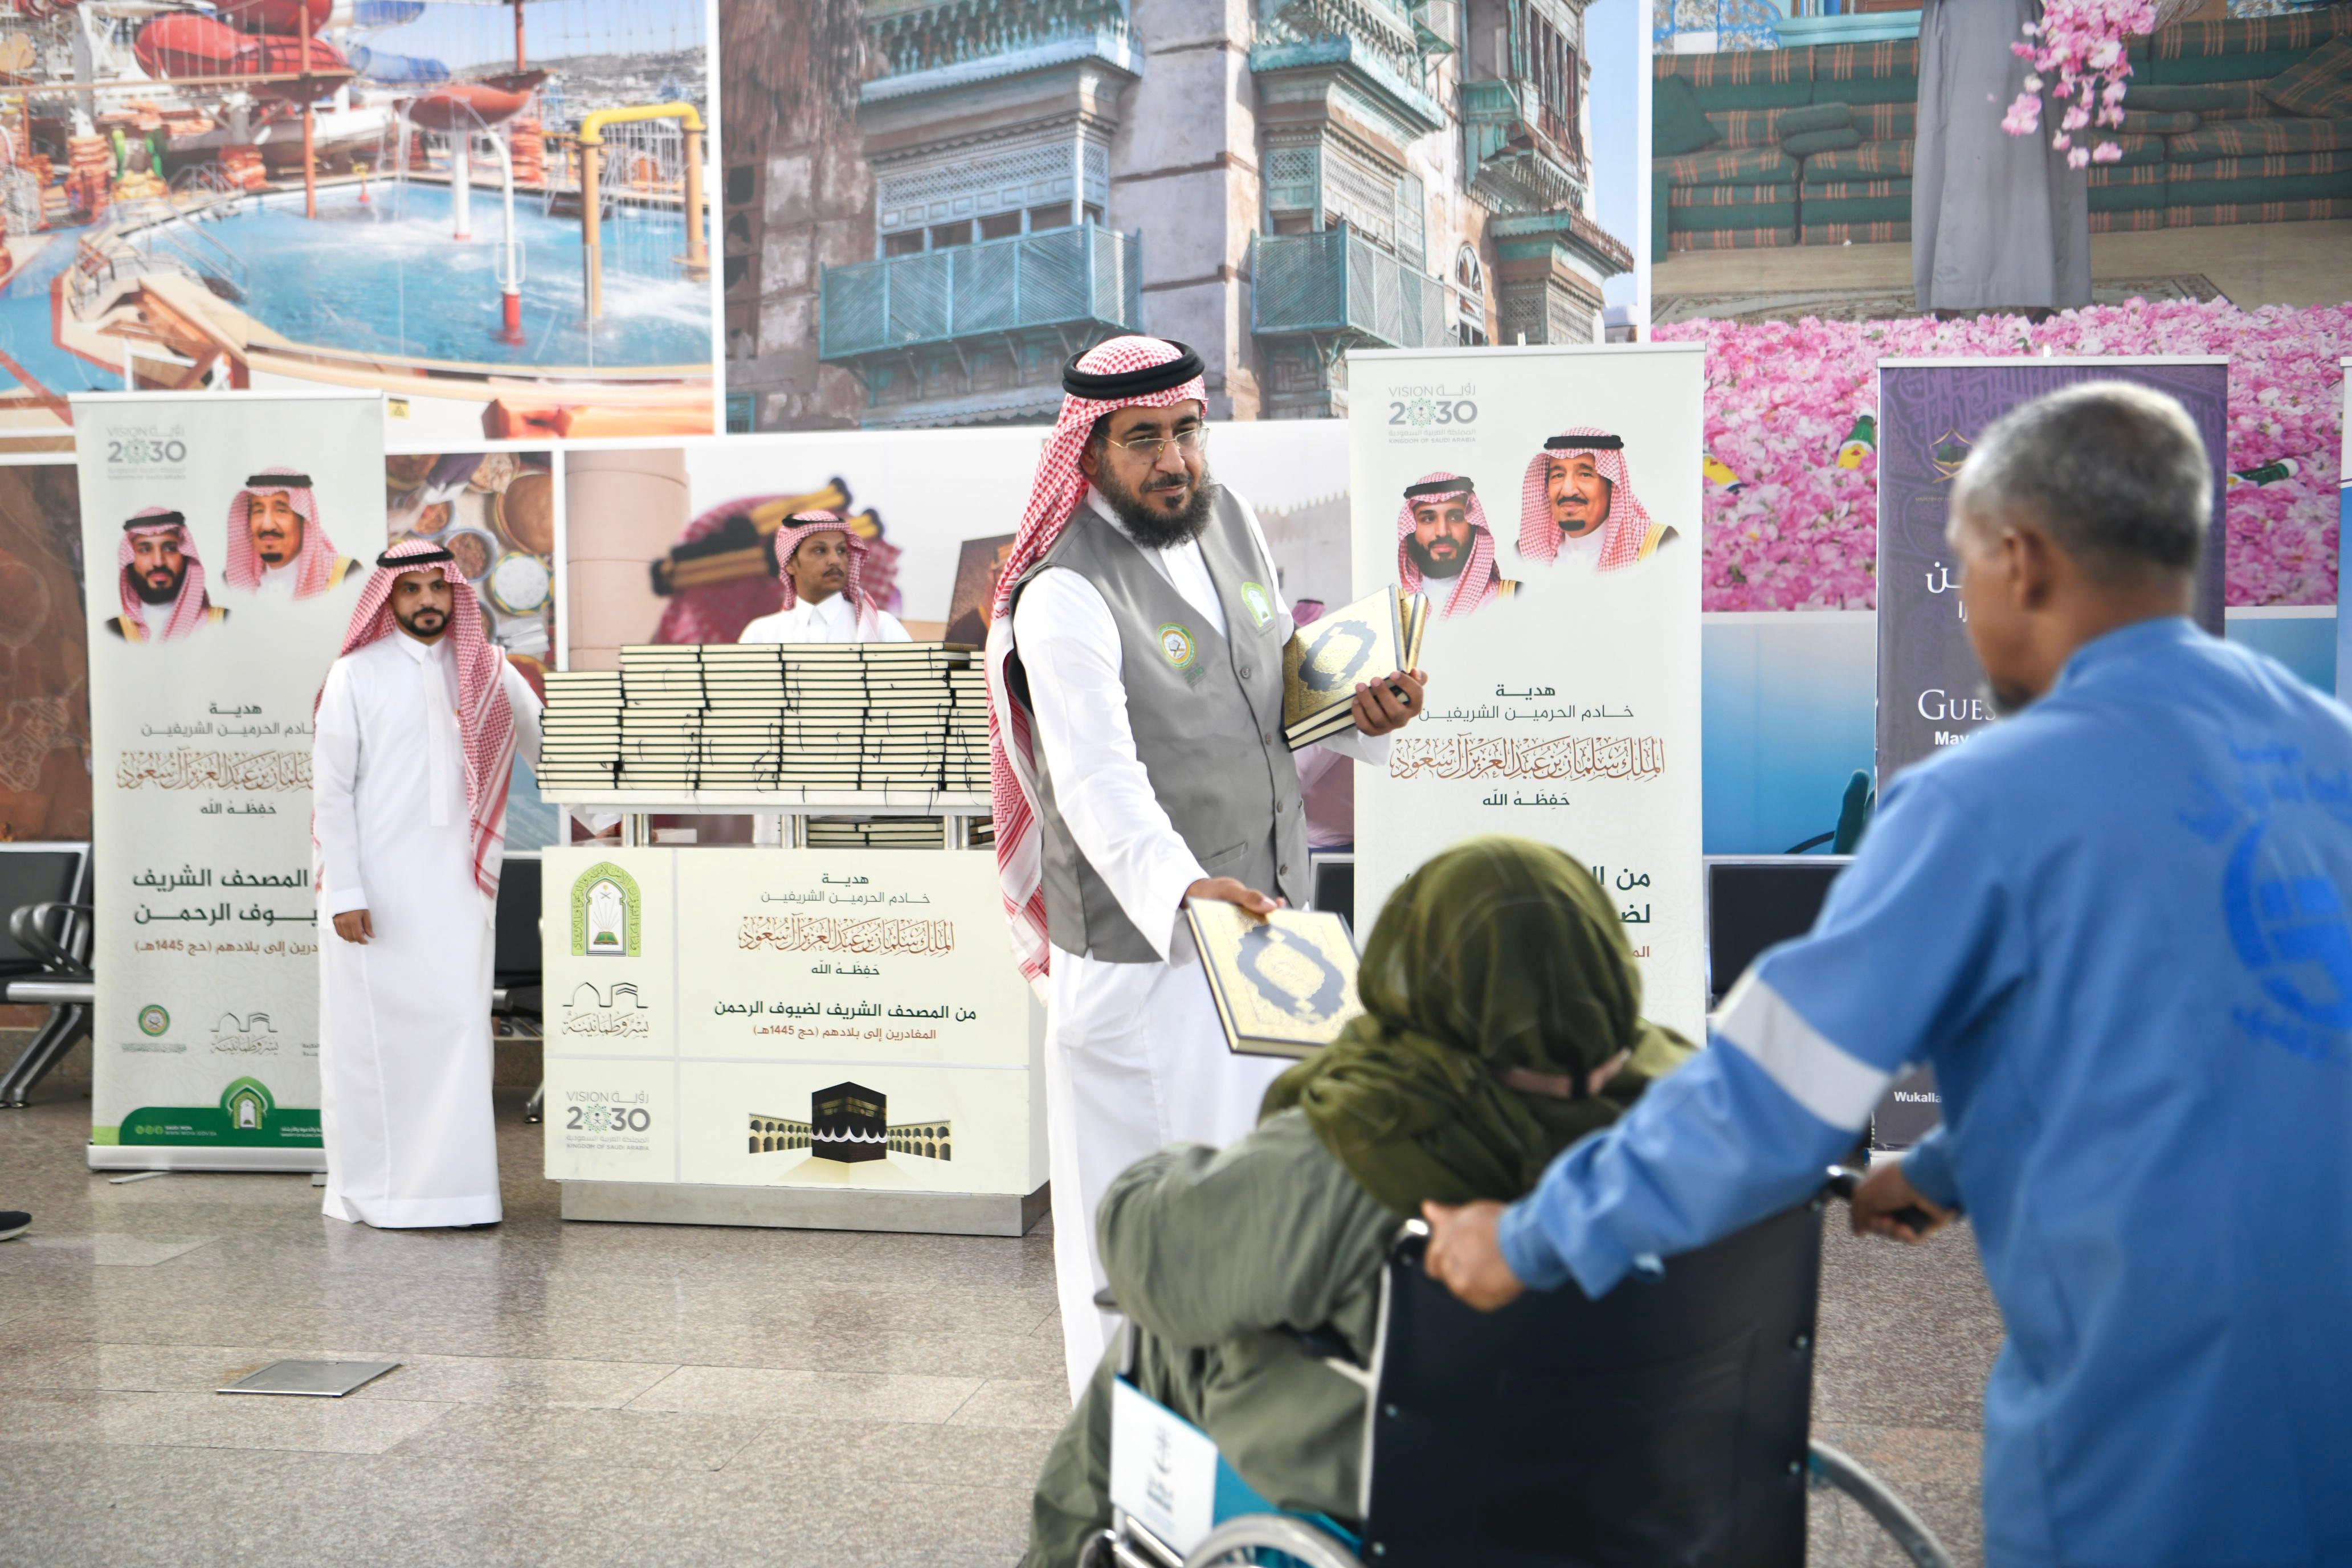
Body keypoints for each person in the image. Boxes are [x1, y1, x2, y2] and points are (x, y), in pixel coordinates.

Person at [1423, 383, 2352, 1566]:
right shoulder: (2328, 752)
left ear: (2022, 559)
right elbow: (2214, 1029)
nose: (1963, 603)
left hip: (2157, 1454)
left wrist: (1528, 1239)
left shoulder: (1986, 798)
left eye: (1962, 565)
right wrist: (1949, 1166)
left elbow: (1769, 1090)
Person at [1020, 838, 1694, 1566]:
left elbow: (1147, 1242)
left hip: (1405, 1498)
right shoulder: (1691, 1123)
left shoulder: (1377, 1139)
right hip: (1629, 1490)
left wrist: (1179, 1163)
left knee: (1162, 1327)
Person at [986, 335, 1427, 1400]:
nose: (1174, 460)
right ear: (1087, 453)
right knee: (1152, 1236)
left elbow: (1269, 692)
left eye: (1187, 430)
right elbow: (1097, 783)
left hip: (1269, 937)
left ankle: (1250, 1432)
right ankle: (1133, 1455)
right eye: (1143, 439)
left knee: (1261, 1204)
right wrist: (1182, 890)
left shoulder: (1228, 523)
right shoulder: (1064, 592)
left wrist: (1359, 714)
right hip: (1152, 964)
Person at [311, 539, 543, 1230]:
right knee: (373, 1045)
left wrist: (612, 818)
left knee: (459, 1032)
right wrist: (344, 891)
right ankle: (375, 1193)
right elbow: (330, 794)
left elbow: (551, 747)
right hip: (375, 893)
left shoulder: (490, 670)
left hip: (457, 890)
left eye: (437, 588)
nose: (427, 602)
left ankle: (461, 1195)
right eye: (410, 590)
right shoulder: (355, 674)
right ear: (389, 599)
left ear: (454, 593)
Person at [1913, 0, 2090, 316]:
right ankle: (1954, 293)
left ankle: (2034, 289)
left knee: (2028, 150)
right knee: (1965, 151)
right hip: (1964, 21)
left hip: (2021, 16)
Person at [738, 509, 912, 643]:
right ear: (790, 563)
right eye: (820, 550)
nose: (835, 560)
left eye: (841, 551)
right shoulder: (761, 635)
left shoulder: (881, 628)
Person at [1517, 429, 1675, 573]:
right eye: (1558, 476)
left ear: (1612, 486)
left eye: (1585, 474)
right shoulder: (1524, 554)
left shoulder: (1657, 546)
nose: (1568, 490)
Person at [223, 468, 360, 599]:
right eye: (259, 511)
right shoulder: (231, 583)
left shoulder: (344, 575)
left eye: (281, 510)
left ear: (303, 521)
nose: (267, 525)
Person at [1396, 473, 1516, 617]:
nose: (1442, 532)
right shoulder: (1394, 610)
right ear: (1411, 531)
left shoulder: (1510, 598)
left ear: (1473, 526)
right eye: (1428, 519)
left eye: (1455, 518)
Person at [104, 508, 228, 642]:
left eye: (170, 549)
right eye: (145, 550)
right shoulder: (115, 630)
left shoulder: (221, 621)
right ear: (130, 560)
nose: (159, 562)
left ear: (186, 557)